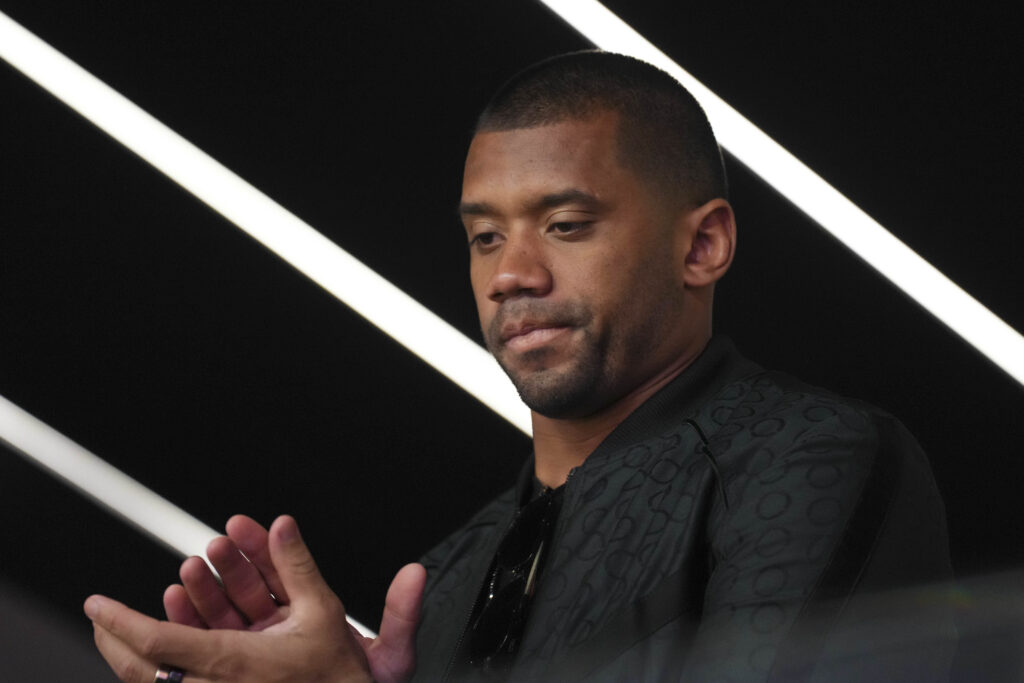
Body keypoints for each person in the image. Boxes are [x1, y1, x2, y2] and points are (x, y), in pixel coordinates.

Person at [85, 51, 956, 682]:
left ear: (703, 244)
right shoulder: (441, 580)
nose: (512, 276)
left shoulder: (810, 458)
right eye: (486, 237)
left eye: (567, 225)